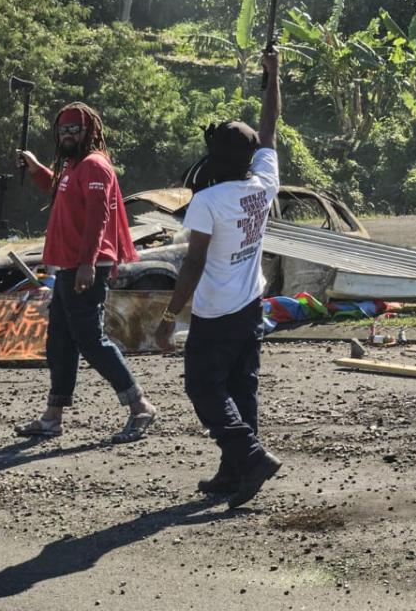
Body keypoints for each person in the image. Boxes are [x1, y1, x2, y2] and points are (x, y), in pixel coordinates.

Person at [156, 51, 282, 509]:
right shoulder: (262, 184)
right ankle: (234, 473)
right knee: (240, 386)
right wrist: (274, 76)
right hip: (251, 305)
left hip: (215, 311)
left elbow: (192, 266)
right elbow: (270, 129)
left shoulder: (208, 202)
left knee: (204, 388)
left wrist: (170, 318)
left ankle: (250, 457)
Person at [16, 103, 159, 443]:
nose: (67, 135)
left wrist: (87, 264)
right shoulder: (71, 166)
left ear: (89, 132)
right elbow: (61, 194)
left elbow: (98, 219)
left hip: (84, 266)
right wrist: (36, 169)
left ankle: (140, 407)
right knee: (61, 342)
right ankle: (53, 416)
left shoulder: (95, 166)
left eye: (73, 130)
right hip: (69, 266)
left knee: (92, 341)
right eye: (63, 130)